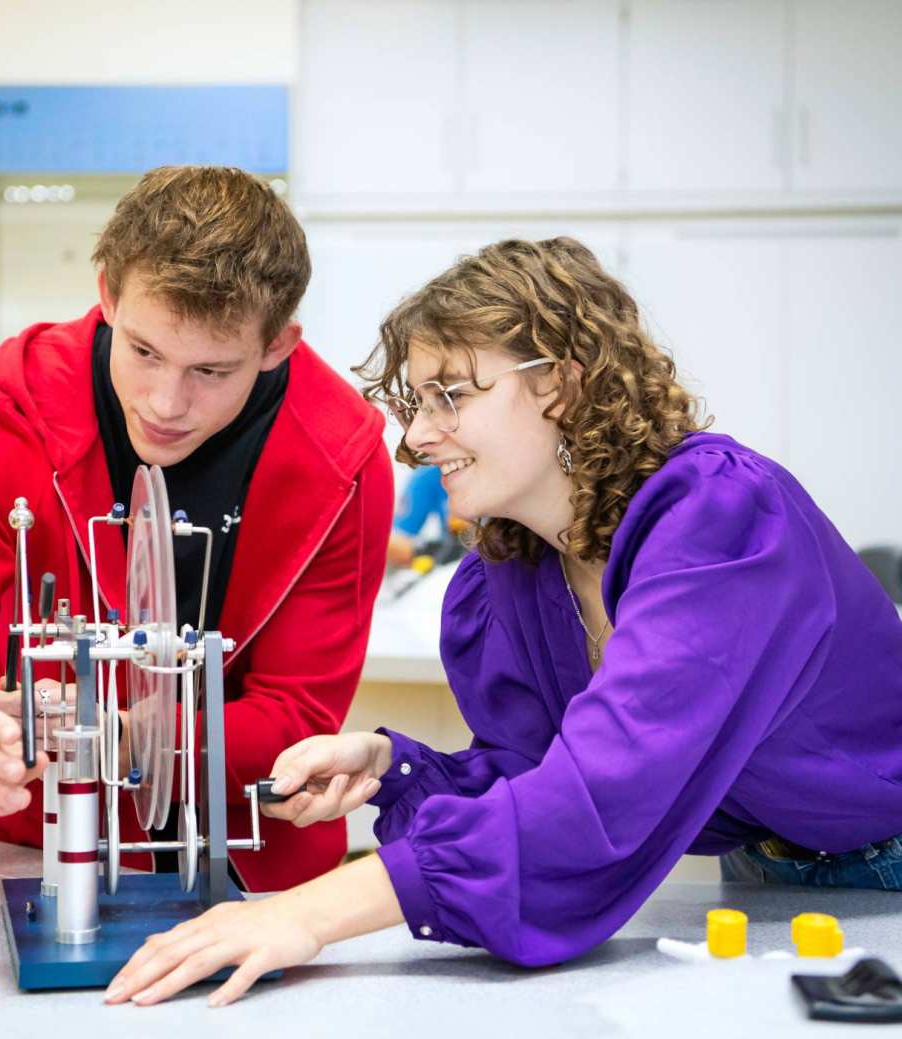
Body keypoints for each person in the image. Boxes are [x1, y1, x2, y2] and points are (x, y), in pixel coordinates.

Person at [102, 236, 902, 1009]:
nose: (415, 435)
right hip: (766, 878)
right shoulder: (512, 571)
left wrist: (302, 914)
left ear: (562, 384)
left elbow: (589, 803)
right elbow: (536, 776)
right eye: (417, 403)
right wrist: (394, 767)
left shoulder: (720, 523)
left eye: (451, 395)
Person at [0, 165, 393, 892]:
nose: (165, 402)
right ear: (108, 294)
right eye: (143, 351)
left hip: (257, 874)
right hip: (38, 854)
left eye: (211, 369)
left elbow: (296, 711)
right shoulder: (14, 403)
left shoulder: (343, 457)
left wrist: (107, 733)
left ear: (277, 344)